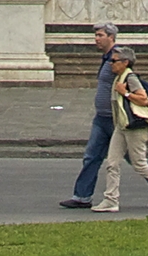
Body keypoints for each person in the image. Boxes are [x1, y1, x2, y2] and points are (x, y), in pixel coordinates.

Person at [88, 45, 148, 214]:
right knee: (112, 163)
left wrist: (126, 94)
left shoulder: (130, 78)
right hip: (122, 126)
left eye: (114, 61)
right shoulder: (119, 77)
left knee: (139, 164)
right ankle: (111, 200)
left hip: (135, 127)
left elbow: (143, 100)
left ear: (125, 62)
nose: (110, 64)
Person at [58, 24, 120, 210]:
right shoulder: (106, 58)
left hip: (115, 120)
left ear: (111, 37)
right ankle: (82, 196)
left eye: (100, 35)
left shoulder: (117, 59)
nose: (96, 39)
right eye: (96, 36)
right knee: (91, 156)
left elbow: (129, 79)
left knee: (138, 161)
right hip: (102, 118)